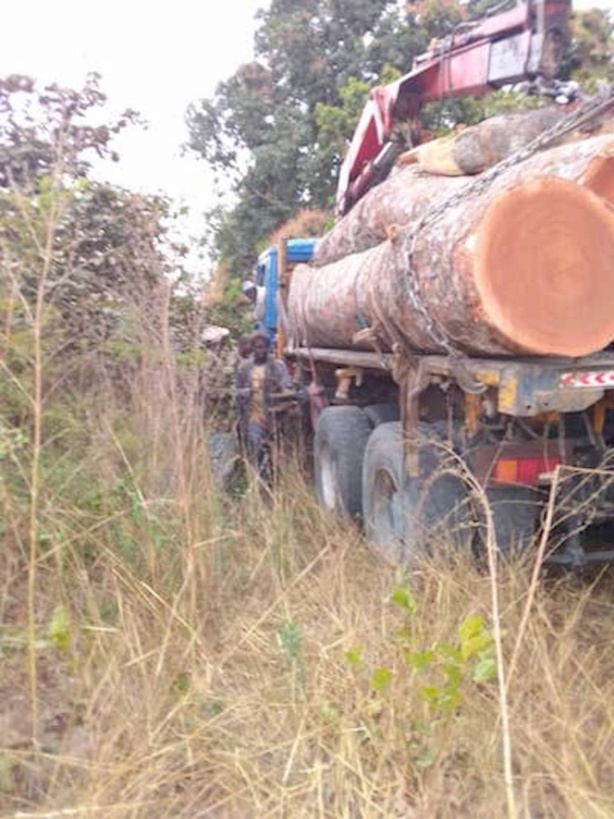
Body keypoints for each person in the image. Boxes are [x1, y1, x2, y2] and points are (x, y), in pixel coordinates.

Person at [235, 331, 293, 474]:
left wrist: (280, 391)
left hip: (274, 417)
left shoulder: (278, 366)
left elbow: (288, 388)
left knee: (276, 452)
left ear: (269, 348)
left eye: (263, 347)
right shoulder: (244, 368)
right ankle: (258, 480)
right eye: (257, 347)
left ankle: (275, 480)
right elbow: (235, 391)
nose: (260, 351)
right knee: (256, 448)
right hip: (253, 416)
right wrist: (246, 392)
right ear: (252, 349)